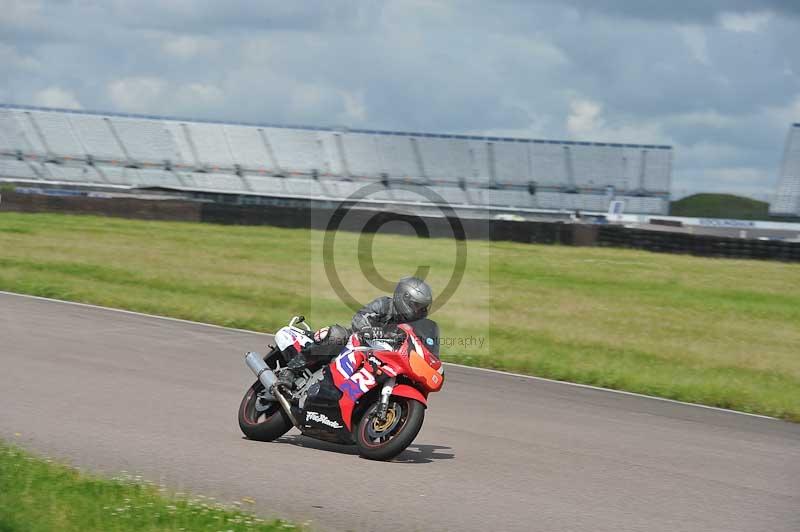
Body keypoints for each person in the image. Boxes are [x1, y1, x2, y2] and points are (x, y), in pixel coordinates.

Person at [277, 276, 433, 387]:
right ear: (404, 298)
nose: (420, 311)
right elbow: (359, 319)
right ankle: (291, 370)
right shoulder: (384, 305)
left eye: (423, 308)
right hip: (357, 343)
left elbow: (420, 343)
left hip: (383, 357)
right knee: (337, 335)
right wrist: (373, 331)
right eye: (417, 306)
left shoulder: (414, 325)